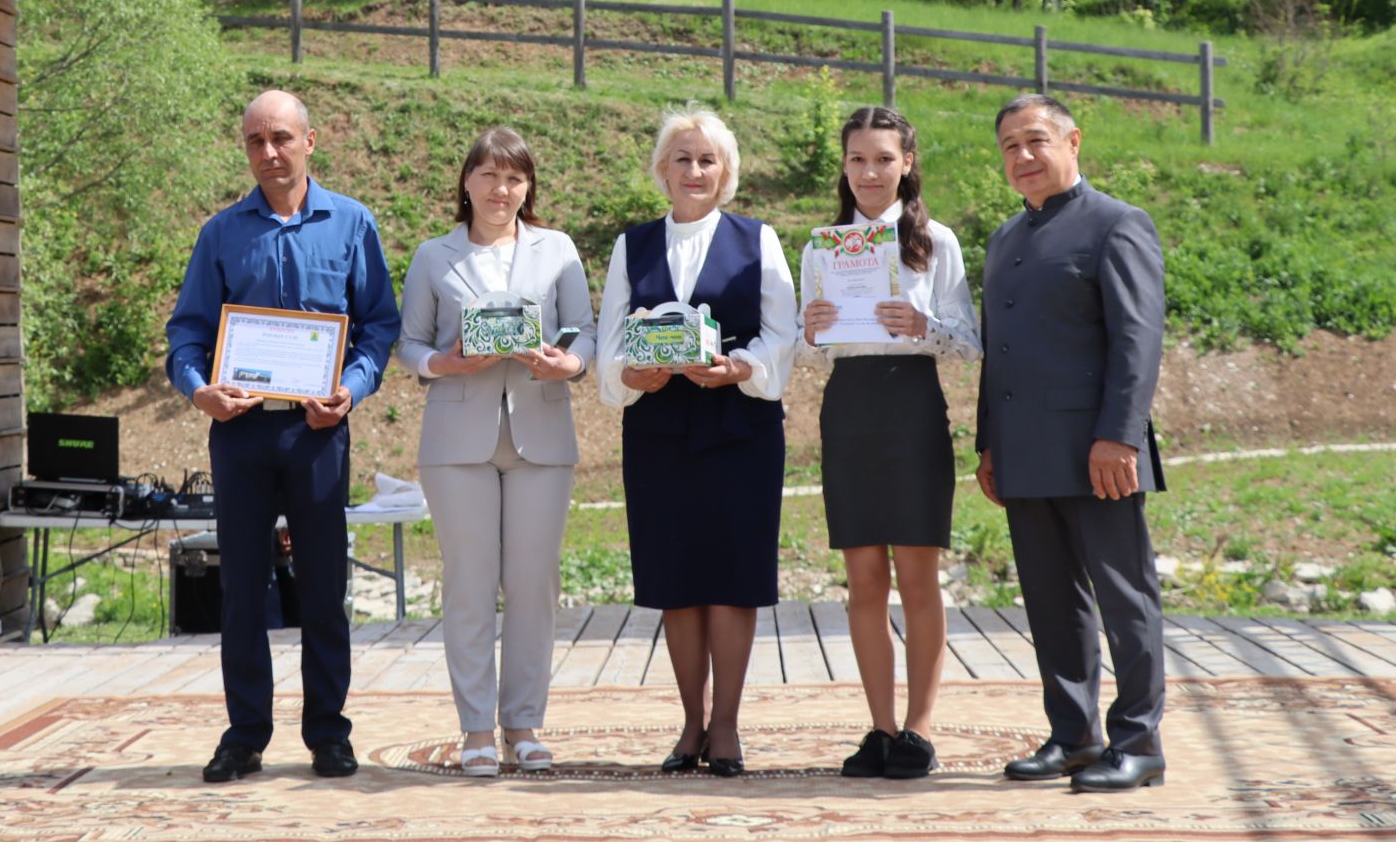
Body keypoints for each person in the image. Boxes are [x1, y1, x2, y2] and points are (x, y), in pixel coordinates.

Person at [166, 90, 401, 783]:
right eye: (255, 141)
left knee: (324, 586)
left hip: (318, 433)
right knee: (241, 586)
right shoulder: (221, 233)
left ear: (309, 141)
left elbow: (379, 326)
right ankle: (245, 735)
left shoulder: (352, 224)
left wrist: (350, 390)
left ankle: (329, 732)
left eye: (281, 138)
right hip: (239, 434)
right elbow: (188, 333)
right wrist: (197, 388)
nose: (269, 153)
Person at [594, 104, 796, 778]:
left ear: (726, 171)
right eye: (681, 158)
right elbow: (609, 348)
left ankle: (729, 725)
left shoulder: (758, 239)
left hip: (740, 428)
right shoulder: (631, 246)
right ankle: (689, 723)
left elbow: (781, 335)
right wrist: (633, 376)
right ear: (661, 169)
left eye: (707, 159)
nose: (694, 170)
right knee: (677, 582)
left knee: (733, 582)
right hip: (657, 430)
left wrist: (740, 370)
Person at [975, 94, 1167, 794]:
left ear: (1072, 141)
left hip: (1099, 452)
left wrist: (1119, 437)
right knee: (1052, 601)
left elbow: (1137, 341)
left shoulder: (1116, 225)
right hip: (1023, 452)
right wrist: (988, 443)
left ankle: (1139, 741)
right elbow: (1000, 352)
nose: (1022, 158)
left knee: (1125, 597)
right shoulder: (1004, 238)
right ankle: (1074, 734)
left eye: (1035, 142)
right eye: (1009, 147)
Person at [397, 127, 595, 777]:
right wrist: (446, 363)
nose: (500, 190)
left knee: (533, 585)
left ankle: (525, 724)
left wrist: (564, 362)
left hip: (542, 432)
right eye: (488, 175)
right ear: (466, 182)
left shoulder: (558, 250)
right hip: (456, 440)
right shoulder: (433, 255)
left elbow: (583, 335)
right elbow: (410, 345)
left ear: (528, 186)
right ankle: (477, 729)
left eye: (513, 178)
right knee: (470, 586)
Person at [797, 107, 980, 780]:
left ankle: (920, 731)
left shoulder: (938, 240)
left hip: (912, 403)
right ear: (843, 168)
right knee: (864, 577)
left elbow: (969, 341)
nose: (870, 172)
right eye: (857, 160)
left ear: (907, 163)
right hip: (847, 405)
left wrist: (922, 323)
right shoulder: (822, 246)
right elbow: (804, 350)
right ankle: (878, 729)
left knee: (918, 573)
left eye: (883, 158)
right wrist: (810, 331)